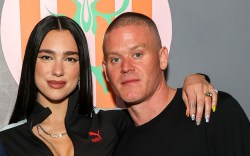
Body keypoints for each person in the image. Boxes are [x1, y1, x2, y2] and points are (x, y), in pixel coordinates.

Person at [0, 15, 215, 156]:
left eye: (70, 59)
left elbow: (164, 119)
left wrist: (195, 79)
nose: (58, 71)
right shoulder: (7, 141)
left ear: (82, 67)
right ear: (31, 63)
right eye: (47, 57)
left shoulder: (113, 123)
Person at [102, 12, 250, 156]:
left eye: (137, 54)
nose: (126, 67)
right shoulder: (116, 145)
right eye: (115, 59)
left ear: (162, 58)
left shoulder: (213, 111)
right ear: (105, 71)